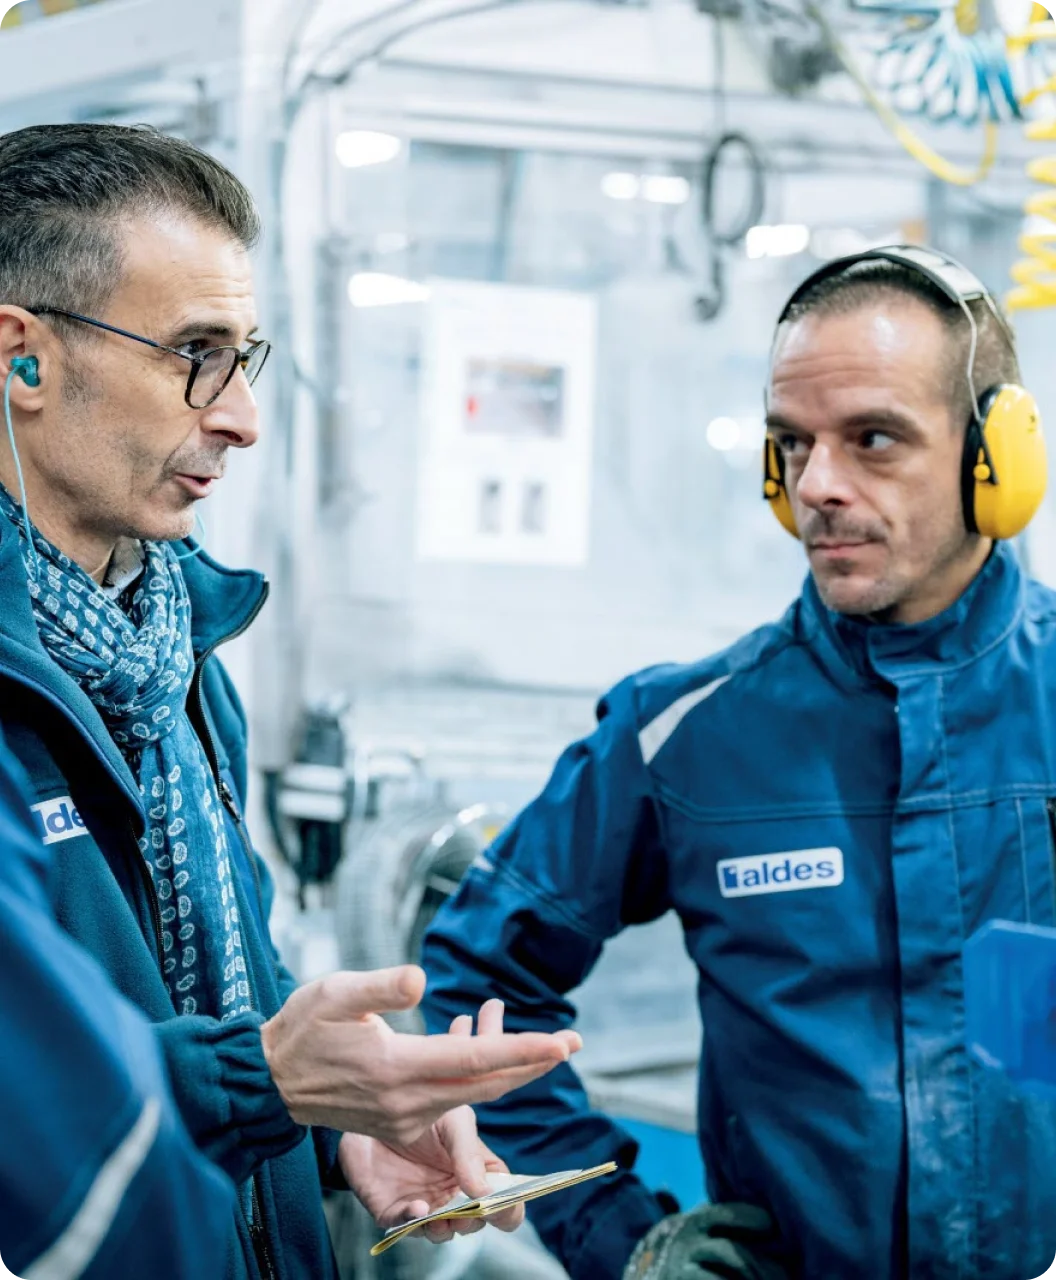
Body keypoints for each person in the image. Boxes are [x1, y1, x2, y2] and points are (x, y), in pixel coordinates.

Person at [0, 122, 580, 1280]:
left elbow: (239, 1002)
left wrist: (342, 1126)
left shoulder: (177, 658)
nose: (239, 416)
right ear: (21, 356)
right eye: (194, 353)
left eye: (243, 359)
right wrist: (266, 1078)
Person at [421, 244, 1056, 1280]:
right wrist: (622, 1239)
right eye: (791, 445)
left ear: (997, 456)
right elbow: (480, 985)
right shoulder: (685, 732)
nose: (819, 485)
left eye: (875, 440)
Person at [0, 726, 240, 1279]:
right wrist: (254, 1076)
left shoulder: (192, 670)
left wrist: (346, 1126)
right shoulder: (16, 693)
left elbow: (254, 954)